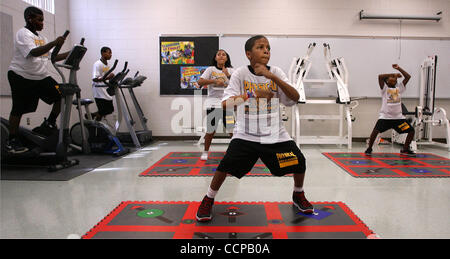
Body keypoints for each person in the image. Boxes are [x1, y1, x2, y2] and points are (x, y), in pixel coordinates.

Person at [196, 35, 314, 222]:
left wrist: (272, 77)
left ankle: (298, 194)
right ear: (248, 54)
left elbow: (294, 97)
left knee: (299, 162)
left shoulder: (276, 72)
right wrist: (252, 93)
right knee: (225, 166)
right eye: (260, 47)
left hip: (275, 134)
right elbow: (225, 104)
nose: (266, 50)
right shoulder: (240, 74)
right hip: (246, 134)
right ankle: (208, 199)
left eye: (268, 47)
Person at [5, 6, 69, 154]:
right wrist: (54, 42)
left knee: (62, 95)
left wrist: (70, 53)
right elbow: (33, 52)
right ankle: (12, 140)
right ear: (30, 19)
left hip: (40, 76)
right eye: (39, 20)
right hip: (20, 76)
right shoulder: (23, 34)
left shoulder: (42, 38)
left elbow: (51, 57)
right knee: (18, 108)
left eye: (42, 20)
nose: (42, 23)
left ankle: (49, 123)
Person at [365, 64, 415, 156]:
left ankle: (405, 149)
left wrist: (399, 68)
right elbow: (380, 77)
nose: (393, 79)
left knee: (411, 131)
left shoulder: (399, 88)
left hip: (398, 120)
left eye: (394, 79)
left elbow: (408, 77)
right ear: (387, 82)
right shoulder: (384, 89)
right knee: (375, 131)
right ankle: (369, 148)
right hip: (385, 118)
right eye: (390, 79)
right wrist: (393, 74)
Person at [198, 49, 235, 161]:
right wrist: (214, 81)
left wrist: (228, 75)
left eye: (223, 54)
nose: (221, 56)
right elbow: (200, 82)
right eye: (219, 54)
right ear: (215, 58)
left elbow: (236, 85)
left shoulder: (232, 70)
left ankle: (234, 153)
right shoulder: (210, 69)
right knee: (211, 129)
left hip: (226, 103)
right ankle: (205, 152)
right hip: (213, 103)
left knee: (232, 129)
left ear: (227, 58)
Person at [91, 47, 115, 121]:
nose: (110, 55)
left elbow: (105, 75)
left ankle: (96, 125)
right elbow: (95, 78)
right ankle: (95, 124)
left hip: (104, 89)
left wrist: (112, 79)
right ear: (103, 53)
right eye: (109, 53)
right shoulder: (97, 64)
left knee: (110, 109)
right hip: (98, 90)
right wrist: (108, 77)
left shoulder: (107, 65)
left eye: (111, 53)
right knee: (104, 111)